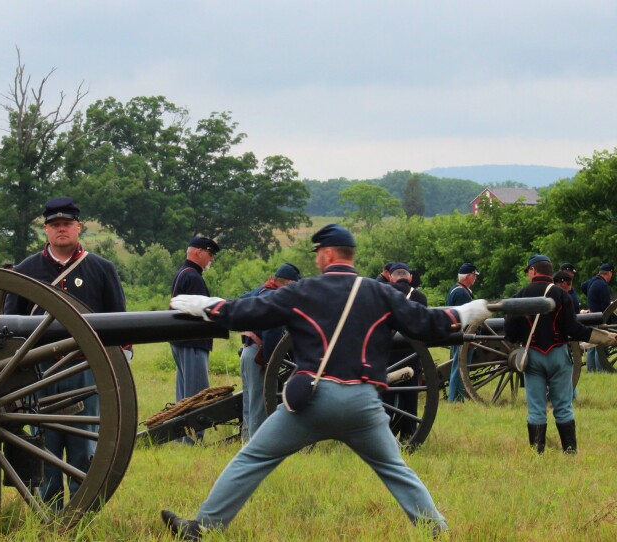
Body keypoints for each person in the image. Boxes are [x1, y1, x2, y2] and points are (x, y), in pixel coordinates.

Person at [161, 224, 492, 539]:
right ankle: (437, 530)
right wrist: (467, 313)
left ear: (330, 254)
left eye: (319, 251)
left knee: (252, 459)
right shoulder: (379, 292)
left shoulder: (303, 291)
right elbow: (426, 324)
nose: (317, 258)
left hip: (311, 402)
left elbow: (247, 313)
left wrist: (206, 306)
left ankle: (202, 528)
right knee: (397, 471)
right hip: (364, 403)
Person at [4, 196, 127, 506]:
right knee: (44, 443)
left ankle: (81, 505)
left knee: (84, 445)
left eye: (67, 224)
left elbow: (119, 320)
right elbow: (8, 323)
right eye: (55, 225)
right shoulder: (26, 269)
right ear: (46, 230)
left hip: (84, 369)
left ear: (78, 227)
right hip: (41, 371)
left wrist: (119, 361)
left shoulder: (101, 268)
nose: (61, 230)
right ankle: (50, 509)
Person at [504, 255, 617, 454]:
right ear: (549, 272)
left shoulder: (519, 296)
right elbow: (573, 328)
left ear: (532, 271)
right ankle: (570, 451)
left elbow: (510, 332)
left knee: (537, 407)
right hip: (558, 354)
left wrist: (521, 338)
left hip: (533, 356)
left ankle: (537, 452)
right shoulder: (562, 295)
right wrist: (605, 337)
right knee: (563, 406)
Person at [237, 263, 301, 442]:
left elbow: (240, 303)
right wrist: (270, 362)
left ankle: (246, 443)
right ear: (288, 283)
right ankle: (257, 446)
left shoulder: (260, 291)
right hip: (259, 356)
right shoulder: (277, 299)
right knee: (259, 406)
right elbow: (272, 333)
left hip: (247, 351)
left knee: (249, 404)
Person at [169, 235, 220, 443]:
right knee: (197, 394)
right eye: (210, 254)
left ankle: (182, 438)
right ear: (199, 252)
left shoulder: (183, 273)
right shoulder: (193, 277)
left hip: (181, 341)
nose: (211, 259)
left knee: (184, 394)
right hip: (193, 342)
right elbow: (199, 313)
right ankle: (192, 439)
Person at [382, 262, 427, 442]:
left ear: (391, 277)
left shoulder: (382, 293)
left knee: (387, 398)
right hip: (412, 354)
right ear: (409, 277)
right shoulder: (420, 297)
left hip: (387, 355)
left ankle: (385, 436)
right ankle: (409, 434)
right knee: (410, 397)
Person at [446, 262, 479, 402]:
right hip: (462, 336)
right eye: (474, 275)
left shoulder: (458, 290)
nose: (476, 278)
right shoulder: (461, 293)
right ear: (468, 276)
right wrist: (470, 338)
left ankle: (456, 397)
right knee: (460, 368)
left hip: (458, 335)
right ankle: (455, 399)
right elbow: (465, 317)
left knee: (459, 367)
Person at [580, 263, 614, 373]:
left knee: (591, 346)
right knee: (600, 345)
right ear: (609, 273)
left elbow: (583, 286)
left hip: (591, 316)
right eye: (611, 274)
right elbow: (606, 308)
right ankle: (601, 369)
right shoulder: (603, 285)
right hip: (599, 318)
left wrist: (592, 299)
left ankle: (591, 370)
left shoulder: (592, 281)